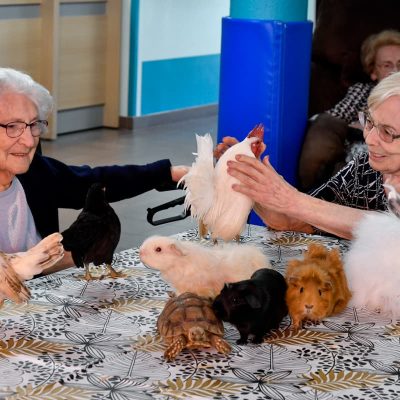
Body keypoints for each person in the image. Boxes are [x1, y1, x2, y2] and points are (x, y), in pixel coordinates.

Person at [0, 67, 188, 269]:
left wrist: (166, 173)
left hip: (39, 293)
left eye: (34, 125)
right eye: (13, 126)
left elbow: (92, 181)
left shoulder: (35, 172)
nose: (29, 141)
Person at [221, 71, 400, 240]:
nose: (370, 139)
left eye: (387, 131)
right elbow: (290, 221)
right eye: (369, 123)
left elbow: (392, 231)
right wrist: (252, 177)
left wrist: (291, 199)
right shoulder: (364, 169)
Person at [298, 29, 400, 192]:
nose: (395, 71)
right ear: (373, 71)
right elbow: (334, 117)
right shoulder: (362, 91)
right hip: (357, 156)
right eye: (387, 65)